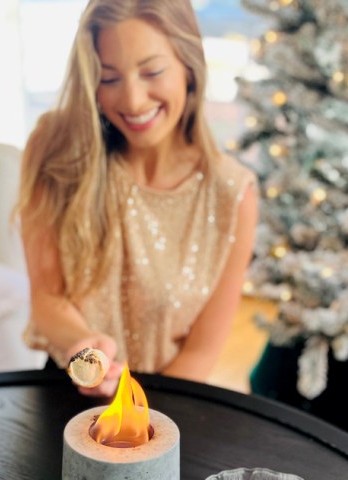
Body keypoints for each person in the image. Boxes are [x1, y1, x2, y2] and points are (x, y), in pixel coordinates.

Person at [16, 0, 258, 397]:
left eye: (152, 72)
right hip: (66, 390)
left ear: (189, 65)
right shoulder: (55, 148)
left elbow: (201, 352)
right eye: (108, 78)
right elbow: (46, 297)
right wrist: (84, 349)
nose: (131, 100)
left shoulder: (233, 195)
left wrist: (134, 423)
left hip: (171, 401)